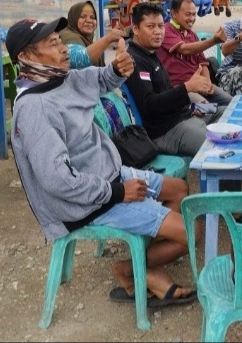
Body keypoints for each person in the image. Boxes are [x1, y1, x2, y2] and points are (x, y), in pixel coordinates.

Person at [6, 17, 196, 307]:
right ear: (25, 56)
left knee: (179, 190)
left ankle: (146, 257)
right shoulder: (35, 109)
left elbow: (99, 80)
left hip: (110, 174)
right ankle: (131, 270)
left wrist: (118, 68)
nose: (63, 48)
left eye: (60, 40)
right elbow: (58, 181)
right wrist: (118, 192)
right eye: (51, 44)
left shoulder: (61, 78)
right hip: (83, 202)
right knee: (191, 233)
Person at [123, 2, 223, 157]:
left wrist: (190, 108)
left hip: (184, 112)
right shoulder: (134, 60)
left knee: (225, 111)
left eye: (160, 26)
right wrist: (187, 87)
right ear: (136, 29)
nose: (158, 32)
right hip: (166, 129)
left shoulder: (150, 52)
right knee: (219, 147)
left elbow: (167, 92)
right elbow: (149, 105)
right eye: (150, 26)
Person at [157, 0, 231, 107]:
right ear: (174, 14)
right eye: (188, 14)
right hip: (180, 88)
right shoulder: (166, 31)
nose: (192, 18)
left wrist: (207, 82)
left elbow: (203, 63)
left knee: (232, 102)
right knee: (207, 109)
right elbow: (184, 49)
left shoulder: (192, 35)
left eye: (194, 14)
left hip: (199, 84)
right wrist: (214, 40)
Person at [59, 0, 124, 67]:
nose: (89, 20)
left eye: (92, 17)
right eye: (83, 16)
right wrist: (109, 38)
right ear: (74, 18)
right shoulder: (68, 36)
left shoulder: (86, 38)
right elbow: (79, 60)